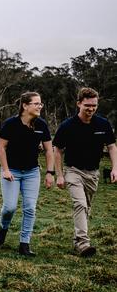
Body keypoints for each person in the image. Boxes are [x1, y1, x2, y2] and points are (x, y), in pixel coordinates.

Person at [53, 87, 117, 257]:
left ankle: (77, 240)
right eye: (87, 105)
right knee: (80, 204)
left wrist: (115, 168)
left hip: (93, 173)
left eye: (94, 105)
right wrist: (59, 175)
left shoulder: (103, 124)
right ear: (79, 104)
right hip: (73, 170)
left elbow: (111, 146)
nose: (91, 109)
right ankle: (83, 243)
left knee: (86, 207)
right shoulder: (68, 125)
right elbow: (57, 149)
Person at [0, 91, 54, 256]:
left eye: (40, 103)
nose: (39, 106)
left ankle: (24, 243)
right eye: (36, 103)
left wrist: (50, 172)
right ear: (25, 106)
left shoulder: (41, 125)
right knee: (10, 207)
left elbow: (49, 150)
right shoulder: (10, 124)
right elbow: (1, 147)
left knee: (30, 208)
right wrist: (5, 170)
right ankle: (3, 228)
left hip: (32, 172)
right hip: (11, 171)